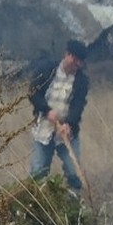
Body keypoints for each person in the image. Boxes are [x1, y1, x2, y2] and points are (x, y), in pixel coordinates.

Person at [28, 39, 91, 196]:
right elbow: (33, 93)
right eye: (74, 60)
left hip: (67, 133)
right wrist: (46, 110)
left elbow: (78, 105)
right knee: (38, 171)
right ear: (67, 55)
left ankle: (74, 202)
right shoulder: (47, 69)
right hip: (44, 129)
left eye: (80, 62)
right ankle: (37, 203)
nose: (76, 65)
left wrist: (69, 123)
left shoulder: (82, 81)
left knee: (73, 171)